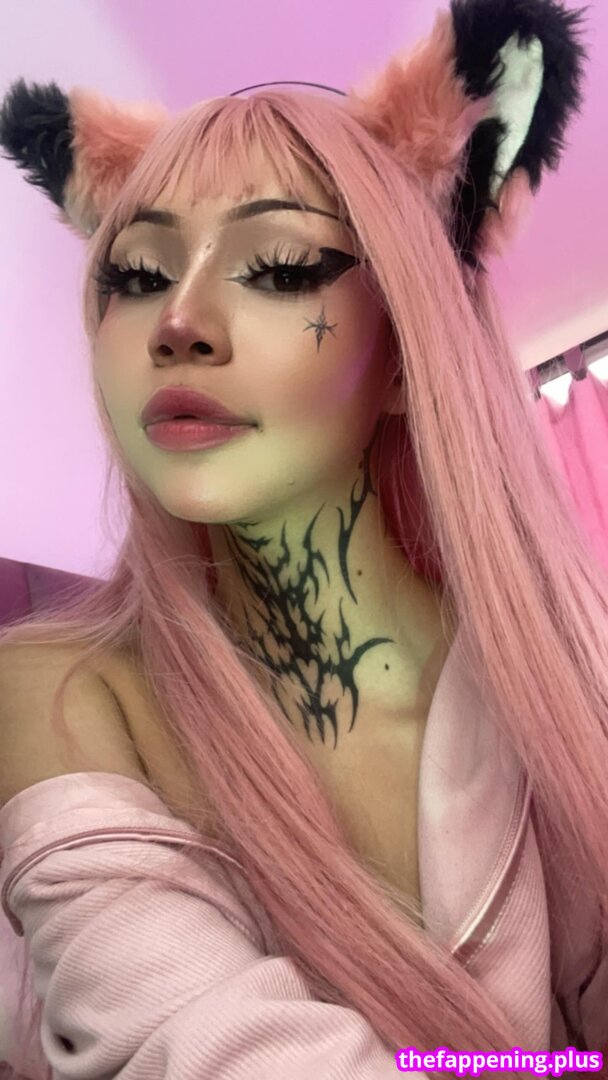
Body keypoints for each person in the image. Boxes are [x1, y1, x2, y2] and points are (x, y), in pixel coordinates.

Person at [1, 1, 607, 1077]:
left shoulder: (572, 666)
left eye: (279, 266)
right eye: (137, 275)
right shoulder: (60, 691)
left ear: (405, 353)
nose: (178, 323)